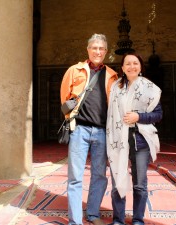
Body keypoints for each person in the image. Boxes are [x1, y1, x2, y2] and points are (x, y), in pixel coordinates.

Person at [60, 34, 118, 225]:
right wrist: (71, 122)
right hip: (80, 130)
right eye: (94, 47)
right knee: (75, 177)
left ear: (106, 52)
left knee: (99, 175)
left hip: (102, 131)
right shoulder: (74, 70)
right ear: (88, 50)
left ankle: (93, 214)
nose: (98, 51)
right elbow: (64, 100)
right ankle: (75, 221)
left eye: (101, 48)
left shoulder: (112, 75)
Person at [106, 52, 163, 225]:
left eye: (135, 63)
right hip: (118, 140)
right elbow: (110, 115)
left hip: (140, 140)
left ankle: (138, 219)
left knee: (139, 183)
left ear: (140, 66)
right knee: (117, 180)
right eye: (128, 64)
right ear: (122, 68)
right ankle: (118, 219)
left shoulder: (149, 88)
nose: (132, 66)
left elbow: (158, 114)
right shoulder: (115, 88)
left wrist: (139, 117)